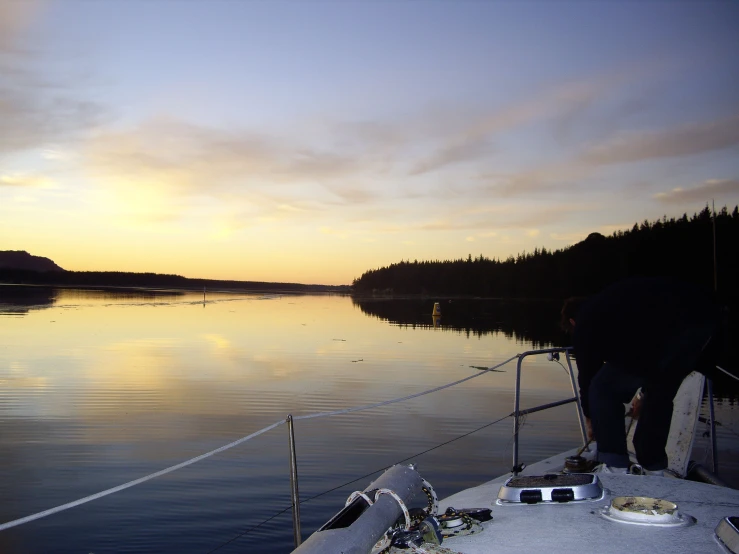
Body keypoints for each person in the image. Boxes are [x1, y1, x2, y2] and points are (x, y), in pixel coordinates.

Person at [561, 277, 722, 472]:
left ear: (572, 321)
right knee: (659, 396)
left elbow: (588, 377)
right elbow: (653, 355)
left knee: (602, 388)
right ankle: (654, 467)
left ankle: (614, 467)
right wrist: (642, 394)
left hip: (675, 329)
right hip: (702, 321)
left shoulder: (586, 317)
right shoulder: (615, 303)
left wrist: (591, 419)